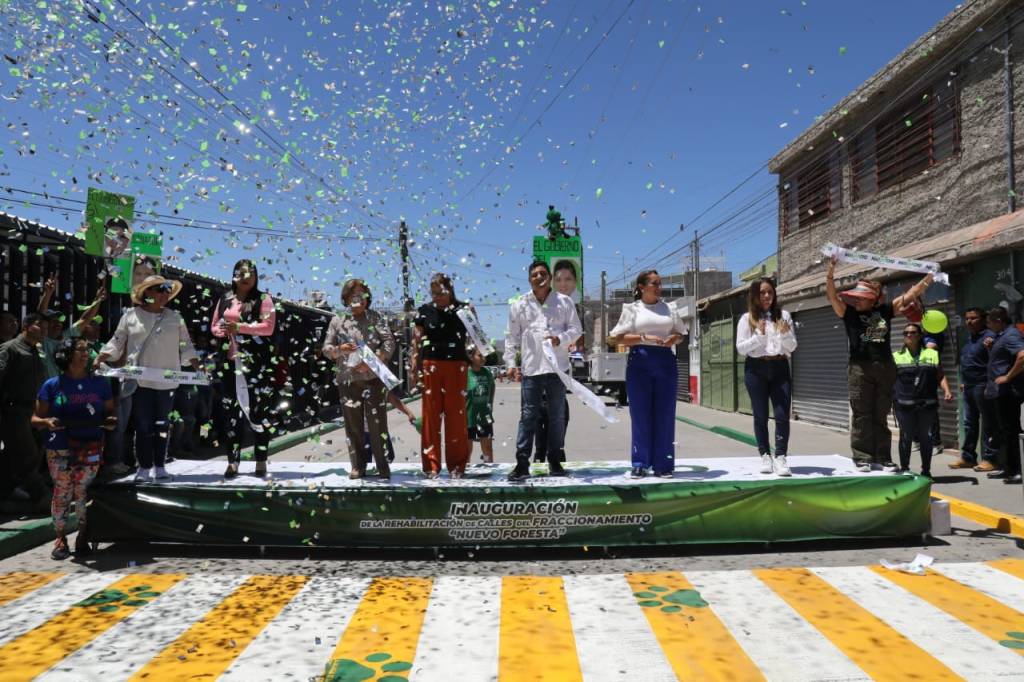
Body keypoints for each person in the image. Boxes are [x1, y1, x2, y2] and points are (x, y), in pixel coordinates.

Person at [826, 257, 934, 471]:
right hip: (859, 369)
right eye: (856, 297)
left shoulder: (885, 311)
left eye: (861, 297)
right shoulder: (848, 313)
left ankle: (883, 457)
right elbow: (832, 296)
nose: (857, 301)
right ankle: (862, 457)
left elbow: (911, 294)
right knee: (861, 414)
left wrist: (930, 277)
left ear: (872, 299)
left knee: (881, 413)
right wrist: (830, 272)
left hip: (884, 367)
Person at [97, 275, 200, 482]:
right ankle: (143, 467)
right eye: (160, 289)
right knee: (143, 426)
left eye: (167, 289)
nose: (165, 293)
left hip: (167, 381)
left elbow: (186, 345)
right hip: (140, 381)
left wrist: (199, 366)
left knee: (162, 425)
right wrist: (100, 358)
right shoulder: (130, 316)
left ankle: (160, 466)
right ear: (147, 292)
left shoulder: (176, 317)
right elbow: (117, 341)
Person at [32, 338, 115, 560]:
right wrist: (47, 422)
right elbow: (35, 419)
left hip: (91, 446)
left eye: (87, 349)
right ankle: (60, 538)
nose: (86, 353)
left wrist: (110, 421)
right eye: (81, 349)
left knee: (83, 493)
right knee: (62, 492)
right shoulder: (51, 385)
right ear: (66, 355)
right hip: (59, 448)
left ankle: (83, 535)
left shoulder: (100, 384)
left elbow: (110, 413)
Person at [504, 260, 582, 481]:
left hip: (558, 369)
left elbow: (576, 329)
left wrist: (560, 339)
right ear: (529, 279)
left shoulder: (564, 301)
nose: (539, 277)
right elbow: (511, 337)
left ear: (549, 277)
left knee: (557, 416)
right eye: (535, 274)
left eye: (543, 273)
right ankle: (522, 464)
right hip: (532, 369)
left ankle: (555, 461)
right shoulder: (520, 304)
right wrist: (510, 364)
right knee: (528, 416)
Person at [609, 269, 688, 478]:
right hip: (639, 362)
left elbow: (681, 333)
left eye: (660, 283)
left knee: (665, 414)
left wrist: (673, 339)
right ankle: (640, 462)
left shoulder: (670, 308)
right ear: (641, 287)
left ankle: (663, 464)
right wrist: (643, 337)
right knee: (640, 414)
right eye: (654, 283)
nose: (659, 287)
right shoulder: (632, 309)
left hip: (665, 361)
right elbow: (617, 337)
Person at [211, 260, 278, 478]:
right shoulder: (225, 298)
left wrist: (239, 327)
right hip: (230, 364)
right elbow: (214, 325)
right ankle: (232, 461)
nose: (245, 277)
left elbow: (268, 328)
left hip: (256, 365)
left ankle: (261, 460)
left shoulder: (263, 299)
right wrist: (223, 330)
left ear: (256, 277)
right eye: (241, 273)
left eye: (250, 273)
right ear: (234, 276)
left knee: (258, 413)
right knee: (231, 413)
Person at [322, 278, 394, 480]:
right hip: (348, 378)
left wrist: (376, 359)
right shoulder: (337, 320)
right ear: (346, 298)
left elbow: (389, 342)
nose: (359, 299)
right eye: (354, 295)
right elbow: (326, 348)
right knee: (353, 424)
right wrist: (339, 349)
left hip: (373, 377)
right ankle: (358, 466)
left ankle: (382, 465)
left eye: (362, 295)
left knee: (377, 422)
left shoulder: (375, 317)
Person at [735, 277, 798, 477]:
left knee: (782, 414)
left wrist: (786, 334)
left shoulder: (783, 316)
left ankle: (781, 456)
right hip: (756, 369)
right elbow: (741, 348)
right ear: (755, 295)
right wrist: (759, 336)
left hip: (780, 366)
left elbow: (792, 347)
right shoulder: (747, 319)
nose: (767, 296)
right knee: (760, 415)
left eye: (770, 292)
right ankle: (765, 455)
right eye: (762, 292)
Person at [411, 273, 471, 478]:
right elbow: (416, 341)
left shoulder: (464, 309)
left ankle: (457, 466)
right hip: (431, 366)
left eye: (441, 292)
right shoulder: (424, 311)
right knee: (430, 417)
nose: (437, 297)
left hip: (457, 366)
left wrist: (479, 355)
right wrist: (414, 365)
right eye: (434, 293)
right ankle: (431, 466)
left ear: (450, 290)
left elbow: (475, 337)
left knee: (456, 417)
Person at [0, 312, 50, 513]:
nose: (44, 330)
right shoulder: (10, 348)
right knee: (28, 455)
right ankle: (42, 497)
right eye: (40, 326)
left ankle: (3, 495)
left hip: (33, 410)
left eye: (46, 328)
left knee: (15, 457)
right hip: (13, 411)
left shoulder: (36, 350)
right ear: (26, 326)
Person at [892, 323, 953, 478]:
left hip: (927, 403)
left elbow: (940, 375)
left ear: (920, 336)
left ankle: (926, 471)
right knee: (906, 437)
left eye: (913, 332)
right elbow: (889, 380)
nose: (909, 335)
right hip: (904, 405)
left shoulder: (932, 354)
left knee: (926, 437)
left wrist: (947, 390)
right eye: (906, 333)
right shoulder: (896, 356)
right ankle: (905, 470)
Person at [950, 308, 999, 471]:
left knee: (988, 423)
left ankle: (990, 459)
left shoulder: (990, 337)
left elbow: (996, 362)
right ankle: (968, 458)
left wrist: (990, 384)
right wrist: (964, 382)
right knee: (969, 423)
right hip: (969, 386)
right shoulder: (970, 338)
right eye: (967, 318)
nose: (969, 322)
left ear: (983, 319)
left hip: (982, 385)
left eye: (973, 318)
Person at [984, 306, 1024, 484]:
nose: (988, 326)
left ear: (998, 321)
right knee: (1003, 432)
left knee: (1011, 432)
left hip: (1008, 393)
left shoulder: (1011, 335)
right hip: (999, 392)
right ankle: (1007, 468)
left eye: (989, 323)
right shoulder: (1001, 336)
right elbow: (1001, 360)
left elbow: (1022, 356)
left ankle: (1018, 470)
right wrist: (991, 348)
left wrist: (1008, 377)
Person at [466, 345, 495, 464]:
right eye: (480, 355)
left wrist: (490, 403)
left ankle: (488, 468)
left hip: (485, 416)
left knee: (487, 449)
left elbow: (492, 387)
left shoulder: (487, 373)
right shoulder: (465, 373)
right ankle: (465, 469)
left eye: (485, 356)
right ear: (471, 357)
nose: (483, 358)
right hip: (468, 417)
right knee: (467, 450)